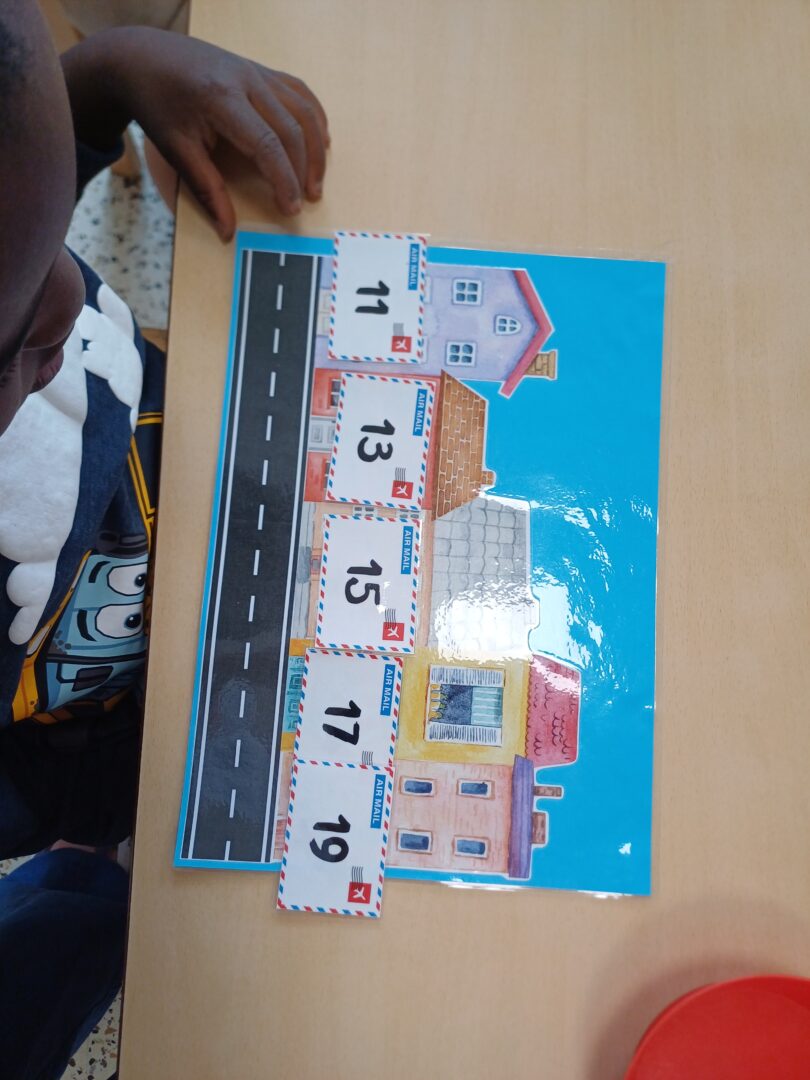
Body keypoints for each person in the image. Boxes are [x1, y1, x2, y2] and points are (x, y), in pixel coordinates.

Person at [0, 2, 329, 1075]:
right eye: (12, 343)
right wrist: (101, 819)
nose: (74, 296)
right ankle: (87, 883)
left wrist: (105, 80)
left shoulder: (26, 267)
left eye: (52, 247)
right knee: (109, 924)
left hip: (193, 519)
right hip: (88, 746)